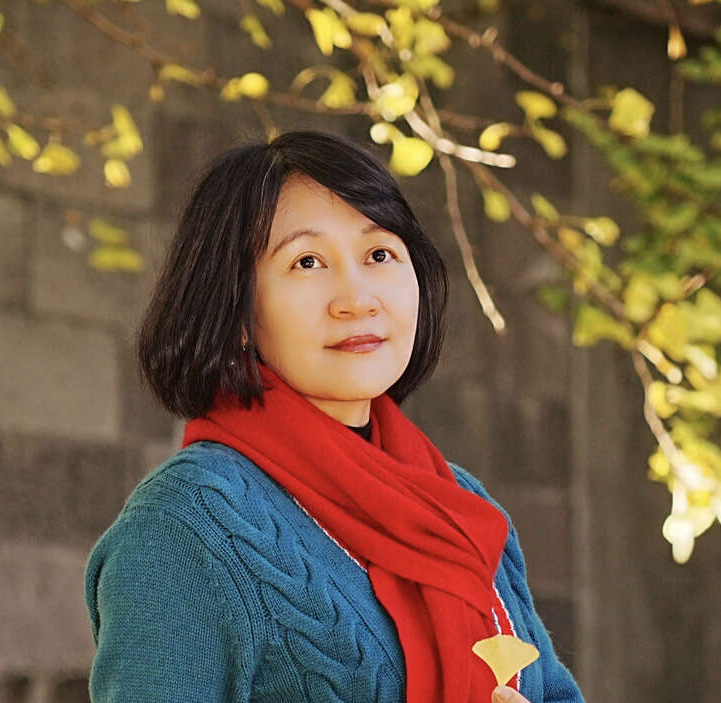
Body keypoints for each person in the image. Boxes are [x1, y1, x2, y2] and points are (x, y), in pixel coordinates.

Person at [84, 130, 584, 703]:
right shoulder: (186, 527)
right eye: (307, 261)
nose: (357, 298)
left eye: (379, 255)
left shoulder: (459, 504)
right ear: (237, 310)